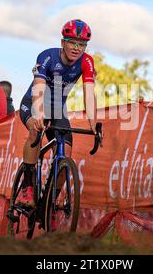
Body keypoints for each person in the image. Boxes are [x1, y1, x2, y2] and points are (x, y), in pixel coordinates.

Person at [17, 19, 97, 207]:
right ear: (63, 42)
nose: (77, 48)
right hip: (34, 102)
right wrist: (38, 114)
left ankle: (50, 203)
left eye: (82, 44)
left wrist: (93, 123)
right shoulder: (47, 57)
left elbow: (89, 93)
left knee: (66, 152)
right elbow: (39, 88)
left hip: (57, 109)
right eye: (72, 42)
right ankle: (27, 187)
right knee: (35, 131)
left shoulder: (87, 62)